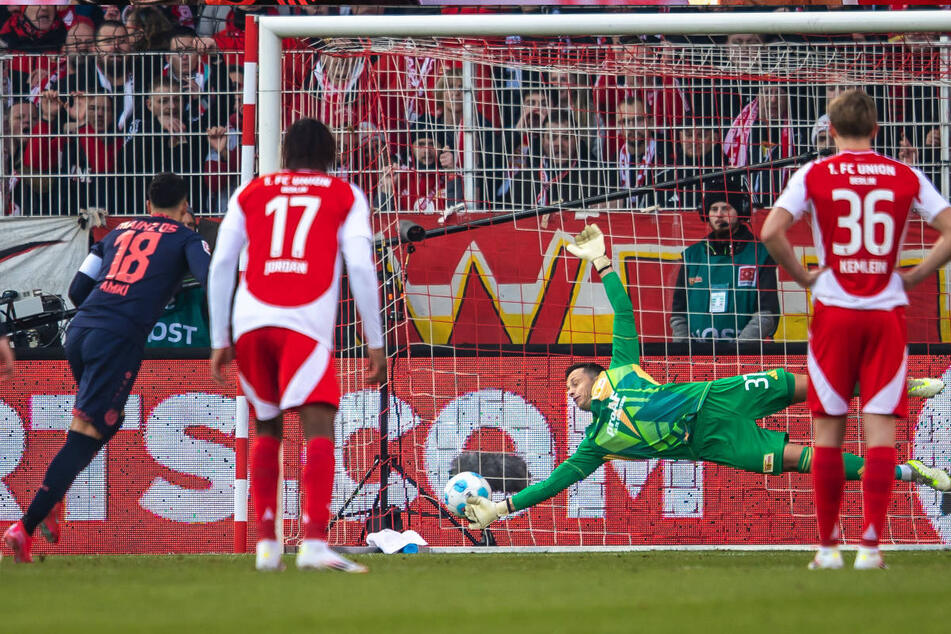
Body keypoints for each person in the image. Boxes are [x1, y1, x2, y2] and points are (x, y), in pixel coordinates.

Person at [463, 224, 950, 534]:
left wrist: (602, 263)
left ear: (595, 374)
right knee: (810, 460)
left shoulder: (624, 367)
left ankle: (905, 385)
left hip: (721, 393)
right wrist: (502, 509)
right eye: (568, 393)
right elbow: (554, 482)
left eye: (574, 383)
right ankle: (914, 473)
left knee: (819, 388)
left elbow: (625, 315)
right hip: (715, 440)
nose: (571, 394)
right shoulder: (598, 444)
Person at [761, 88, 951, 570]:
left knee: (828, 431)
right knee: (881, 431)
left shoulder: (815, 173)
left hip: (834, 311)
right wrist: (916, 275)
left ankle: (827, 548)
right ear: (876, 129)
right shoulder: (904, 174)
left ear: (829, 129)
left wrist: (805, 276)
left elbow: (769, 231)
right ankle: (870, 547)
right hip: (885, 312)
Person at [2, 172, 211, 563]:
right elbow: (209, 279)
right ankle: (27, 525)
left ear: (149, 205)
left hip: (79, 333)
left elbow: (78, 291)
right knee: (87, 433)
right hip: (117, 339)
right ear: (184, 206)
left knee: (103, 423)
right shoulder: (186, 238)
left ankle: (50, 501)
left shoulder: (116, 234)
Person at [207, 118, 385, 573]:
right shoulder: (344, 194)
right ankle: (313, 543)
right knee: (318, 425)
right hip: (302, 323)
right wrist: (375, 342)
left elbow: (223, 262)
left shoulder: (252, 191)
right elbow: (362, 269)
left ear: (285, 151)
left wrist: (220, 338)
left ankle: (267, 547)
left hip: (250, 321)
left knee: (267, 426)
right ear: (330, 153)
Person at [669, 175, 779, 343]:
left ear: (741, 210)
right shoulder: (692, 256)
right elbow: (678, 315)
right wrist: (684, 353)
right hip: (696, 361)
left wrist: (736, 352)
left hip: (747, 359)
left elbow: (767, 314)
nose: (719, 215)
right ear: (705, 212)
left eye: (726, 208)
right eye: (714, 209)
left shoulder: (761, 254)